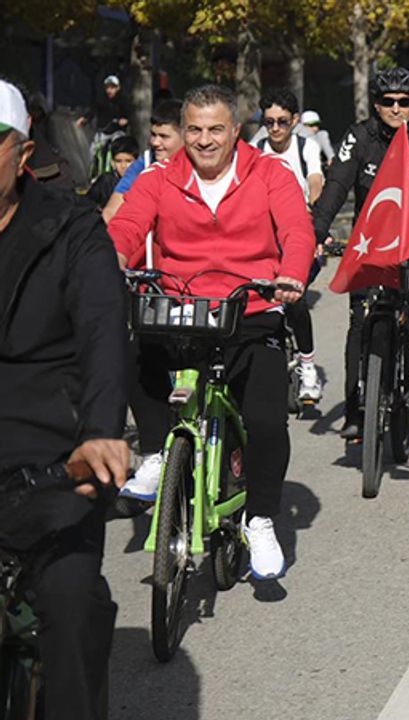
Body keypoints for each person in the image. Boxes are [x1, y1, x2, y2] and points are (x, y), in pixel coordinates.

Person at [108, 84, 314, 579]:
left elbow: (296, 229)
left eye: (215, 129)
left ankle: (260, 518)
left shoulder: (270, 173)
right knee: (130, 350)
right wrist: (110, 261)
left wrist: (293, 272)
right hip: (181, 305)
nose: (204, 140)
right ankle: (159, 453)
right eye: (194, 129)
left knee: (266, 420)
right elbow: (128, 226)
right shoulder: (159, 178)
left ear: (235, 131)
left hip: (253, 306)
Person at [0, 77, 130, 719]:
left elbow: (106, 329)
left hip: (50, 468)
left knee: (74, 606)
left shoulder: (71, 229)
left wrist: (102, 431)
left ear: (22, 154)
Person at [311, 67, 409, 440]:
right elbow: (337, 184)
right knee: (359, 324)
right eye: (388, 102)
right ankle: (356, 408)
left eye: (405, 102)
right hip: (369, 249)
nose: (396, 109)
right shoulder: (359, 136)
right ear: (376, 103)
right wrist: (317, 231)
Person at [257, 87, 327, 404]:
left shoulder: (306, 147)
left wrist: (317, 219)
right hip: (264, 239)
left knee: (294, 298)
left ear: (295, 121)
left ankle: (308, 367)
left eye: (282, 122)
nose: (274, 129)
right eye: (268, 122)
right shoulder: (254, 149)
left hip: (299, 236)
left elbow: (316, 182)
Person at [101, 99, 185, 222]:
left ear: (186, 136)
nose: (155, 142)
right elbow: (111, 211)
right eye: (153, 135)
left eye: (164, 136)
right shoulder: (144, 164)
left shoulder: (201, 166)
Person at [85, 134, 138, 208]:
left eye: (128, 161)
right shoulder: (105, 181)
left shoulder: (143, 181)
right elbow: (87, 203)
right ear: (113, 163)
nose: (123, 166)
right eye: (118, 161)